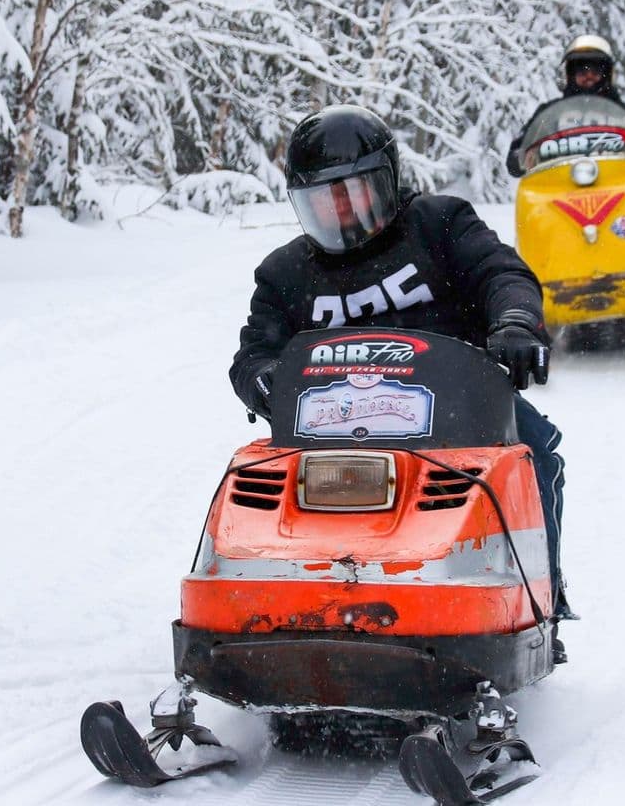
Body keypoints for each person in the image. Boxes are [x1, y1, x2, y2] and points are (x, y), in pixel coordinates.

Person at [230, 104, 578, 638]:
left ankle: (539, 601)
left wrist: (514, 322)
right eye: (325, 200)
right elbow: (256, 348)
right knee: (256, 487)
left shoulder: (439, 224)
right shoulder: (284, 274)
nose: (342, 211)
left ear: (388, 183)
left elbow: (501, 273)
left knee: (534, 451)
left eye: (355, 193)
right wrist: (262, 378)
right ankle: (260, 609)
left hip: (456, 410)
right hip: (331, 425)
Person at [506, 35, 623, 174]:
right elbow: (515, 156)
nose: (589, 76)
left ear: (607, 74)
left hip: (616, 187)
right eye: (582, 70)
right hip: (559, 188)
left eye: (596, 70)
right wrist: (526, 156)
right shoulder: (549, 114)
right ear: (570, 74)